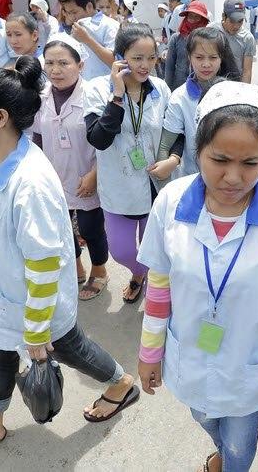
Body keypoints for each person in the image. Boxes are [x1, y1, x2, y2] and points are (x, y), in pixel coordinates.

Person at [0, 58, 139, 459]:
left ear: (0, 118)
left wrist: (36, 331)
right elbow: (0, 220)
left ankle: (121, 383)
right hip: (7, 295)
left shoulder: (30, 181)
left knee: (69, 347)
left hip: (33, 305)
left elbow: (44, 263)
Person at [136, 81, 258, 472]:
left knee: (240, 448)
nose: (234, 178)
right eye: (219, 159)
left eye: (250, 163)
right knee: (203, 416)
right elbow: (159, 285)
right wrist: (149, 352)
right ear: (197, 151)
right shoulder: (171, 203)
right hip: (188, 354)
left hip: (249, 369)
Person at [85, 24, 172, 304]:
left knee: (155, 249)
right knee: (121, 251)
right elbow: (99, 139)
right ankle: (138, 272)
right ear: (120, 57)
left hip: (156, 183)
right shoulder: (98, 89)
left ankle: (147, 281)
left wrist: (173, 159)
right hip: (118, 185)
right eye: (137, 58)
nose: (145, 65)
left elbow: (174, 132)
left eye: (151, 57)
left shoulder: (160, 89)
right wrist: (118, 96)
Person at [33, 34, 111, 300]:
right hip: (53, 176)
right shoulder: (41, 97)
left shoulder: (94, 95)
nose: (55, 70)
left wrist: (95, 175)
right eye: (50, 63)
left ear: (81, 65)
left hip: (87, 173)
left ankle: (99, 270)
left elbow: (109, 141)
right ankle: (75, 265)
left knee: (90, 228)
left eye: (64, 63)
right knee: (61, 226)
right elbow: (38, 137)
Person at [156, 27, 239, 180]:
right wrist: (165, 186)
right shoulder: (180, 97)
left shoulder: (235, 93)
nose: (206, 64)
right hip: (192, 178)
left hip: (229, 178)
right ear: (189, 57)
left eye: (213, 58)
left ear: (221, 58)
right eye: (199, 57)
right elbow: (164, 146)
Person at [58, 0, 119, 81]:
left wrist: (87, 40)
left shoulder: (110, 25)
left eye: (74, 12)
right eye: (68, 13)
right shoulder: (76, 26)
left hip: (106, 88)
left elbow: (115, 61)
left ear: (89, 7)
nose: (71, 17)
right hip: (83, 88)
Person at [165, 0, 210, 90]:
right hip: (179, 86)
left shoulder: (210, 40)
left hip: (202, 88)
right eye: (190, 16)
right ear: (186, 18)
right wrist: (168, 89)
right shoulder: (176, 38)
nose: (193, 20)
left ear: (203, 20)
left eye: (197, 17)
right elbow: (169, 67)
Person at [210, 0, 256, 84]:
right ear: (223, 16)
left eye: (240, 21)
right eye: (232, 21)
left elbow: (247, 71)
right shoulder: (212, 30)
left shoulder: (248, 39)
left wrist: (243, 91)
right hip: (212, 83)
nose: (236, 26)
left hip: (234, 84)